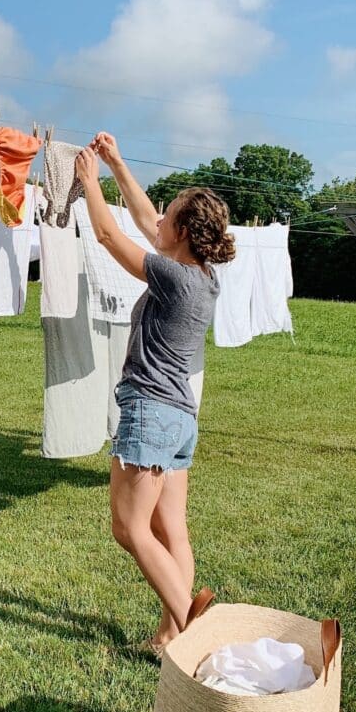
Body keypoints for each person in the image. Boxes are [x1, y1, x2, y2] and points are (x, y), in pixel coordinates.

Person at [75, 132, 236, 654]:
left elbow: (106, 233)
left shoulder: (172, 276)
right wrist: (118, 162)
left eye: (169, 216)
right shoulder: (203, 276)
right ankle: (168, 635)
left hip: (151, 411)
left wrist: (89, 181)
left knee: (129, 527)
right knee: (172, 534)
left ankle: (191, 628)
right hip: (181, 418)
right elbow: (146, 221)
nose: (157, 220)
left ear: (184, 231)